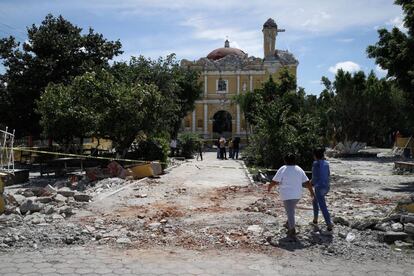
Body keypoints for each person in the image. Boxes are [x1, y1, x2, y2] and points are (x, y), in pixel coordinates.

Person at [268, 153, 314, 239]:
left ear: (285, 160)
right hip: (297, 195)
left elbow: (275, 181)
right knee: (291, 209)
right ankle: (288, 223)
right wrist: (311, 192)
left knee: (290, 212)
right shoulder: (299, 169)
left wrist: (269, 187)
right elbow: (307, 182)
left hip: (287, 195)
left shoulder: (283, 168)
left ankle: (292, 230)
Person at [311, 148, 333, 232]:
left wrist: (309, 183)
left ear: (315, 156)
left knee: (322, 205)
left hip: (319, 187)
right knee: (314, 201)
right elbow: (327, 175)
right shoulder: (326, 163)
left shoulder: (315, 164)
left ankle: (329, 223)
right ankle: (315, 220)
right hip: (327, 186)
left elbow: (314, 178)